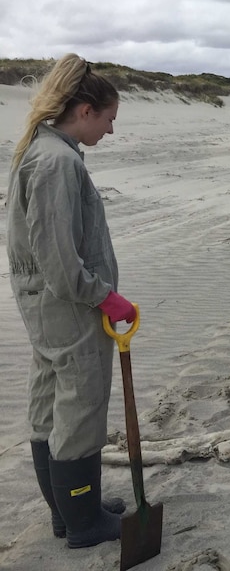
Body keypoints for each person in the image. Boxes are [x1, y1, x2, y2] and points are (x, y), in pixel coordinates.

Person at [6, 54, 136, 548]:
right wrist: (107, 298)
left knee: (50, 405)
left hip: (45, 306)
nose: (110, 131)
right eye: (108, 120)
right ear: (85, 111)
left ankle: (70, 511)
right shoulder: (55, 161)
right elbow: (62, 263)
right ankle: (83, 523)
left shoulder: (42, 150)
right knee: (79, 407)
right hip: (68, 307)